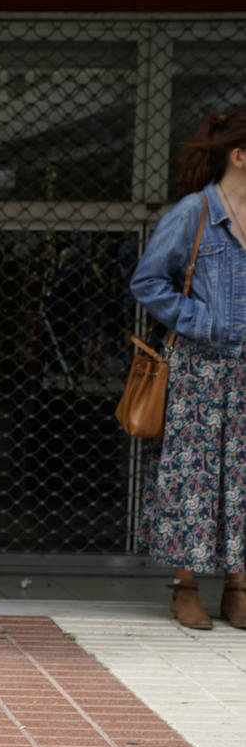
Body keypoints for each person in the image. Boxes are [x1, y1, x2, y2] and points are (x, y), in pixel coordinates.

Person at [130, 109, 246, 631]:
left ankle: (238, 588)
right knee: (193, 478)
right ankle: (187, 587)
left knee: (242, 479)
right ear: (239, 156)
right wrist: (206, 322)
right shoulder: (193, 214)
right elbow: (149, 281)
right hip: (198, 369)